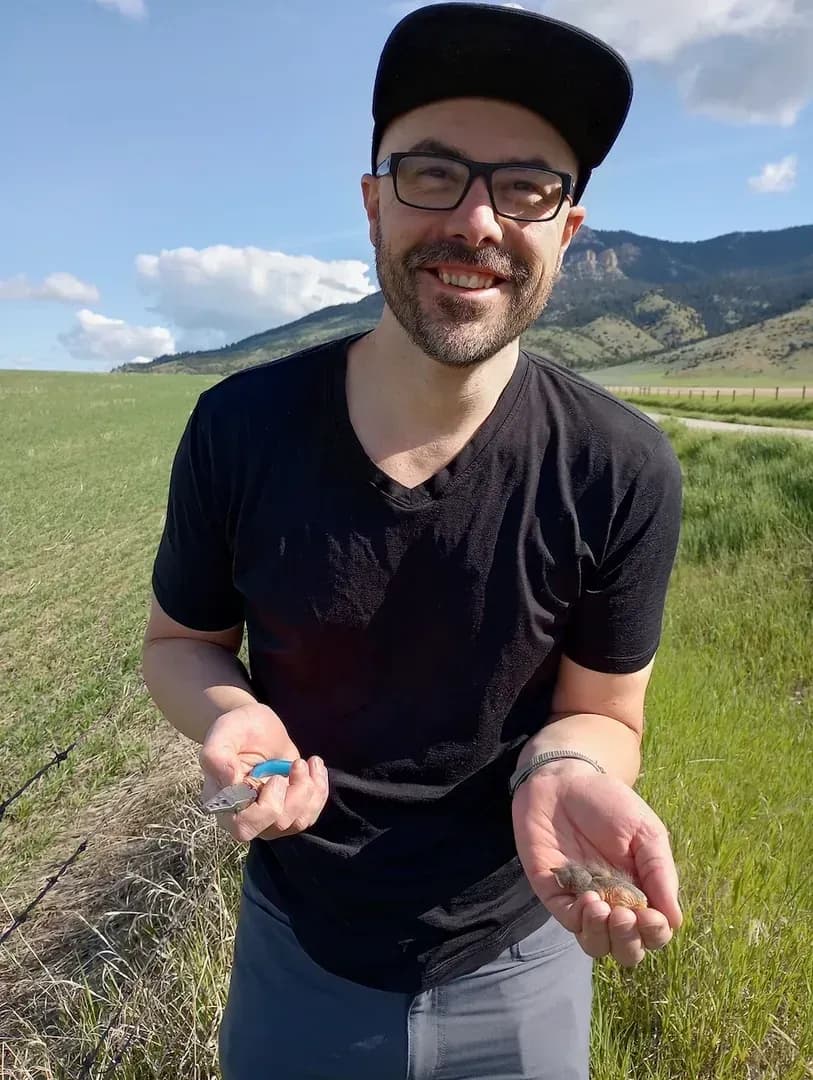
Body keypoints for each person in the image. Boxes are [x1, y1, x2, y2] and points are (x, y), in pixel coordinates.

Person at [141, 4, 684, 1078]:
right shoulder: (239, 430)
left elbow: (604, 712)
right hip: (301, 953)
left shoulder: (620, 467)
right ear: (374, 204)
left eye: (527, 187)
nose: (478, 221)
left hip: (522, 949)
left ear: (566, 232)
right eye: (433, 173)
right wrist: (238, 714)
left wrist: (566, 767)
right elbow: (179, 642)